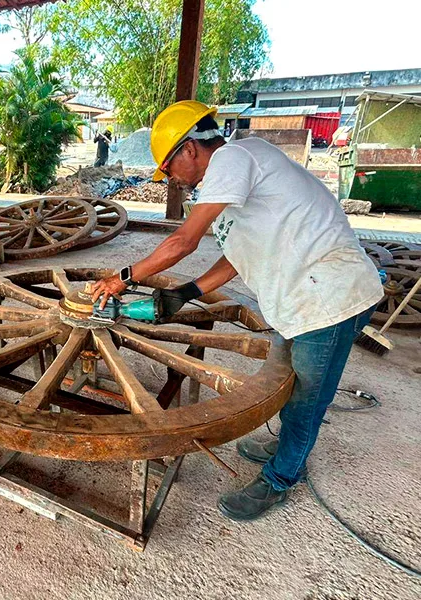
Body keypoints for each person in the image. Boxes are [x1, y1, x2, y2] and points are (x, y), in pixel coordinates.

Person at [91, 100, 383, 521]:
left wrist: (123, 276)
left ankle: (282, 477)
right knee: (287, 379)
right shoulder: (232, 180)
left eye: (169, 167)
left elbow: (182, 242)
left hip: (333, 299)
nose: (171, 179)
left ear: (190, 149)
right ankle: (287, 444)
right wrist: (188, 291)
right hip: (299, 298)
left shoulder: (234, 157)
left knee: (305, 400)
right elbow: (236, 258)